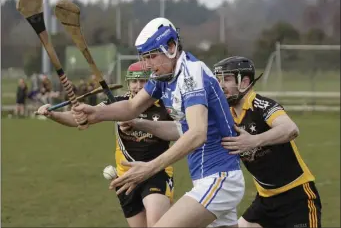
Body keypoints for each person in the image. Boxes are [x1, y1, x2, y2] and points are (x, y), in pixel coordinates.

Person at [71, 17, 244, 227]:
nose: (148, 65)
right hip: (208, 178)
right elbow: (132, 107)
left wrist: (150, 168)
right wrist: (96, 114)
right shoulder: (165, 77)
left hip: (219, 177)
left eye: (152, 56)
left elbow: (198, 134)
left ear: (171, 47)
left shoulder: (190, 74)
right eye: (145, 58)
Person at [36, 61, 175, 227]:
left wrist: (138, 123)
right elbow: (80, 119)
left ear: (152, 82)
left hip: (156, 172)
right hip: (125, 177)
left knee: (156, 222)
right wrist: (53, 115)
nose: (138, 86)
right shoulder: (119, 104)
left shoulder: (166, 105)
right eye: (134, 81)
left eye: (143, 81)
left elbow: (184, 130)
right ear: (128, 83)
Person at [213, 56, 322, 228]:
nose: (220, 85)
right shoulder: (227, 114)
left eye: (226, 79)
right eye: (218, 80)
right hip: (265, 201)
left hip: (296, 198)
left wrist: (253, 141)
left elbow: (290, 129)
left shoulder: (261, 105)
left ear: (244, 82)